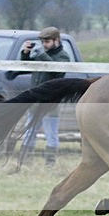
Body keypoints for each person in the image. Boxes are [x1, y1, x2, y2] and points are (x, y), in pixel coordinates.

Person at [18, 26, 69, 167]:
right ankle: (25, 162)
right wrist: (25, 53)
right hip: (35, 102)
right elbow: (26, 65)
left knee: (51, 135)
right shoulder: (42, 54)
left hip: (50, 104)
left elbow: (58, 73)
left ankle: (50, 164)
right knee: (29, 132)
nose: (44, 45)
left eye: (47, 41)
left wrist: (41, 55)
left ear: (56, 40)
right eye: (42, 42)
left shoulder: (63, 56)